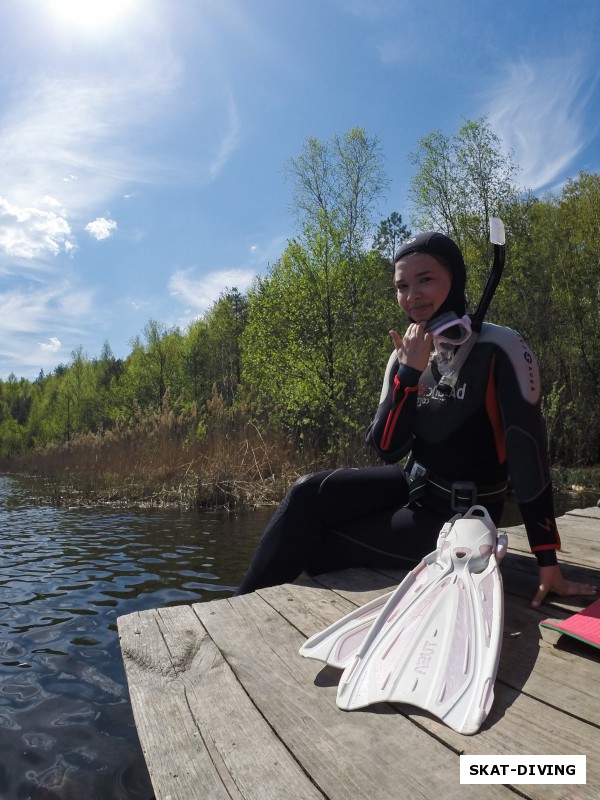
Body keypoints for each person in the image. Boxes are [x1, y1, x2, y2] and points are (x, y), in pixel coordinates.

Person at [236, 231, 596, 608]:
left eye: (426, 280)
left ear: (454, 280)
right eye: (402, 286)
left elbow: (529, 455)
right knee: (307, 493)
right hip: (411, 489)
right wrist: (408, 373)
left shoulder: (499, 347)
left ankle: (240, 614)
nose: (412, 295)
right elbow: (387, 448)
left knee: (311, 546)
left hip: (461, 519)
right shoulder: (403, 357)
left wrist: (547, 561)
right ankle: (240, 606)